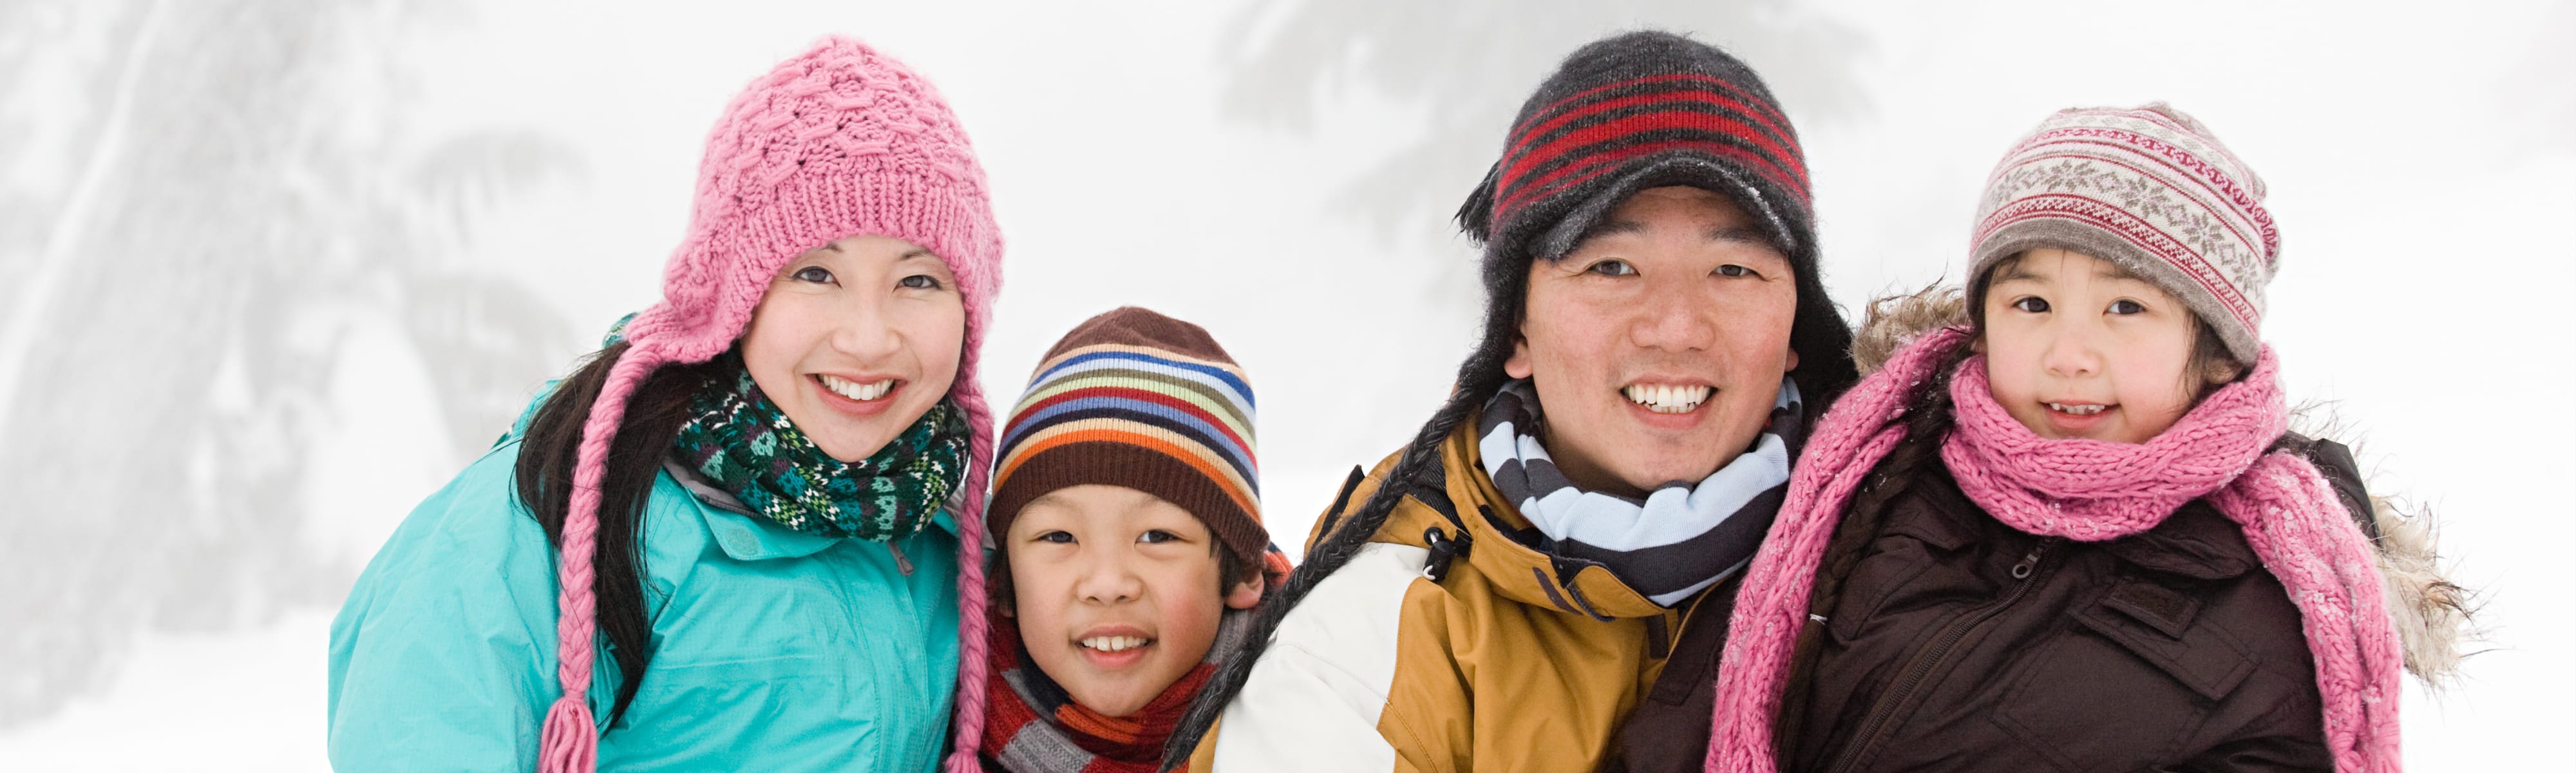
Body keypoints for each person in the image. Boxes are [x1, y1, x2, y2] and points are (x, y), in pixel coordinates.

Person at [1167, 30, 1860, 772]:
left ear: (1797, 328)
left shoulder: (1906, 557)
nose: (1676, 328)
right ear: (1515, 333)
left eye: (1731, 268)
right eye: (1613, 266)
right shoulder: (1380, 628)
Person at [1705, 103, 2469, 772]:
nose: (2068, 355)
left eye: (2125, 309)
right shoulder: (1871, 470)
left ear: (2212, 354)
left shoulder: (2280, 597)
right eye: (2031, 303)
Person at [327, 36, 1009, 772]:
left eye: (918, 282)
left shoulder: (947, 537)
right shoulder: (557, 518)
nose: (869, 339)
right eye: (816, 274)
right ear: (736, 296)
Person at [972, 307, 1292, 772]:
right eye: (1059, 536)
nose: (1107, 583)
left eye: (1156, 536)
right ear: (1005, 582)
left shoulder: (1311, 717)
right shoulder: (944, 718)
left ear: (1243, 571)